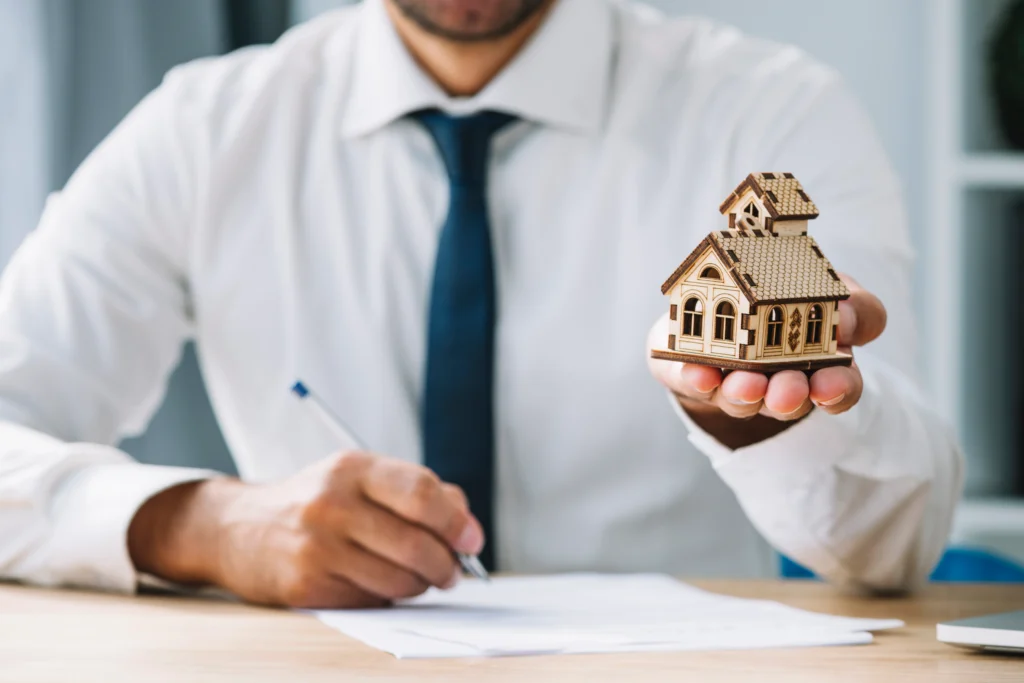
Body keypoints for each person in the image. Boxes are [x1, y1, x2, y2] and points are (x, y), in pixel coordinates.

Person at [0, 0, 961, 608]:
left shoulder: (773, 113)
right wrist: (205, 525)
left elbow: (895, 547)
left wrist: (752, 414)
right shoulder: (204, 129)